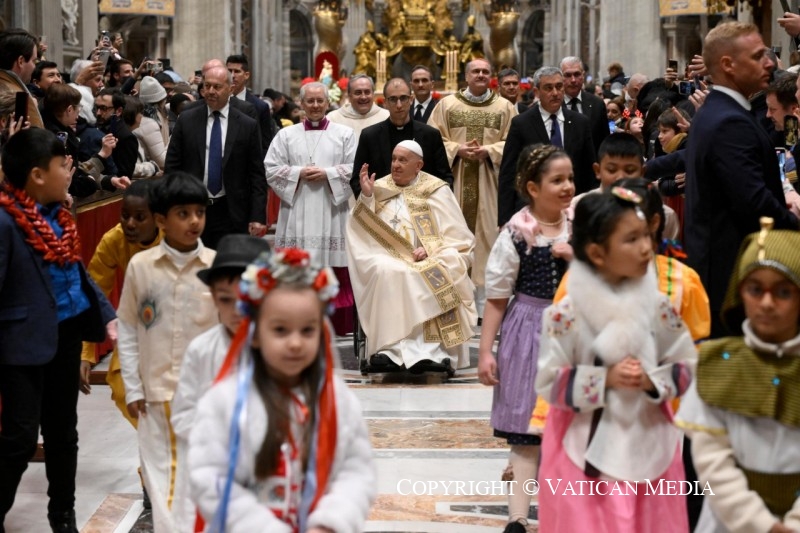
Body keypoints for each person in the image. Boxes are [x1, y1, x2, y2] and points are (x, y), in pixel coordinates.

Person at [534, 188, 697, 531]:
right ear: (596, 252)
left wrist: (653, 379)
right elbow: (549, 382)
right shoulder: (567, 314)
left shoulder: (657, 306)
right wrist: (604, 379)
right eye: (631, 239)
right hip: (580, 448)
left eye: (646, 237)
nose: (645, 248)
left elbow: (687, 366)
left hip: (651, 440)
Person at [188, 247, 376, 532]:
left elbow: (357, 471)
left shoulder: (337, 399)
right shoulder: (225, 401)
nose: (296, 343)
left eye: (307, 330)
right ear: (254, 334)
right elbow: (210, 477)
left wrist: (330, 523)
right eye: (280, 330)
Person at [0, 128, 116, 533]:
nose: (69, 172)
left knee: (63, 433)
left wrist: (106, 315)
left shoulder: (59, 215)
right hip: (22, 345)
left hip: (65, 336)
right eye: (62, 166)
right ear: (36, 175)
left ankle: (62, 515)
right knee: (18, 439)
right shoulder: (5, 222)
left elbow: (75, 272)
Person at [676, 219, 800, 533]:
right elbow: (712, 462)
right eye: (756, 289)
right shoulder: (717, 365)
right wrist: (762, 525)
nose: (767, 303)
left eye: (783, 291)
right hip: (728, 519)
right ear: (741, 291)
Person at [478, 145, 574, 533]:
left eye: (570, 178)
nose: (567, 186)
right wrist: (486, 351)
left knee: (568, 430)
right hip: (530, 331)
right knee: (527, 431)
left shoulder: (582, 225)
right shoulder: (516, 233)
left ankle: (560, 515)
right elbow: (498, 299)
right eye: (557, 180)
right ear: (533, 188)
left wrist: (578, 256)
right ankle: (518, 518)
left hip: (576, 333)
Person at [117, 172, 218, 532]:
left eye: (199, 213)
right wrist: (132, 386)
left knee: (199, 483)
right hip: (154, 396)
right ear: (161, 220)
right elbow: (128, 328)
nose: (194, 221)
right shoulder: (141, 268)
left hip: (204, 400)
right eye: (183, 213)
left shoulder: (216, 269)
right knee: (161, 484)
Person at [684, 21, 799, 338]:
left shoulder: (719, 112)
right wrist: (793, 224)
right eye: (758, 55)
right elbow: (753, 203)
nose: (769, 62)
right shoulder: (728, 121)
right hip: (730, 282)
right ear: (728, 65)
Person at [347, 140, 477, 373]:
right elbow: (360, 233)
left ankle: (430, 353)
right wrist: (366, 198)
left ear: (419, 166)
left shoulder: (437, 190)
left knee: (435, 269)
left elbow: (459, 237)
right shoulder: (379, 188)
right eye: (394, 159)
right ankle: (389, 350)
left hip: (428, 257)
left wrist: (432, 248)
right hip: (387, 257)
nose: (395, 165)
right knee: (386, 270)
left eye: (402, 160)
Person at [171, 234, 270, 532]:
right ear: (213, 297)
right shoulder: (201, 350)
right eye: (226, 299)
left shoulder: (281, 350)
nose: (237, 309)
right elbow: (182, 414)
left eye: (247, 299)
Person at [265, 81, 356, 335]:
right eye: (310, 101)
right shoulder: (285, 135)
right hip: (298, 211)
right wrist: (298, 173)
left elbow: (355, 168)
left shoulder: (344, 134)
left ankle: (336, 318)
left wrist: (327, 173)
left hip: (332, 210)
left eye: (320, 101)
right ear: (301, 104)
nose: (315, 106)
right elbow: (271, 168)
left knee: (333, 262)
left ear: (328, 103)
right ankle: (295, 314)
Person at [428, 58, 516, 317]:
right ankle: (455, 300)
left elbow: (514, 143)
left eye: (485, 72)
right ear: (466, 76)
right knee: (453, 238)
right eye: (475, 71)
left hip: (490, 185)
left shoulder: (504, 108)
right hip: (454, 184)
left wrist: (488, 150)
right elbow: (433, 140)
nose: (480, 75)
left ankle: (483, 305)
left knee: (488, 239)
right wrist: (457, 149)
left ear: (491, 77)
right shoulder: (447, 105)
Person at [78, 180, 162, 423]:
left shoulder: (175, 236)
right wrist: (85, 354)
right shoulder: (113, 240)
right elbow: (93, 295)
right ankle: (153, 446)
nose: (130, 224)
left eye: (139, 217)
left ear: (158, 218)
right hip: (138, 323)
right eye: (125, 216)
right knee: (122, 386)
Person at [165, 66, 267, 249]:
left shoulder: (246, 125)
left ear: (230, 88)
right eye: (207, 86)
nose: (211, 91)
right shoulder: (187, 120)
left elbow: (256, 174)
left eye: (217, 87)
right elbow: (172, 167)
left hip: (231, 210)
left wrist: (257, 216)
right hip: (192, 208)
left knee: (227, 270)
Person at [498, 66, 595, 226]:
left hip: (573, 209)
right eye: (548, 88)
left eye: (559, 87)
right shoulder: (521, 124)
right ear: (536, 92)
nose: (555, 93)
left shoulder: (580, 122)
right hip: (532, 211)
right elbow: (508, 174)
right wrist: (504, 220)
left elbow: (589, 171)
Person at [351, 78, 453, 197]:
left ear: (411, 100)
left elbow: (445, 177)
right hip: (382, 208)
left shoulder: (430, 135)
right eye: (393, 99)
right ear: (385, 103)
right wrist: (370, 197)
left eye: (403, 98)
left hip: (423, 208)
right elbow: (357, 180)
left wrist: (433, 200)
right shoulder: (369, 136)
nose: (399, 105)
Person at [226, 53, 274, 155]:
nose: (232, 76)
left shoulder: (260, 107)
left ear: (246, 75)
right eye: (229, 71)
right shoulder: (217, 101)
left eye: (237, 71)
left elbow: (265, 145)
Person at [560, 56, 611, 151]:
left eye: (577, 74)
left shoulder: (597, 104)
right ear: (560, 78)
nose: (573, 80)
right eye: (567, 75)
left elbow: (604, 141)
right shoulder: (554, 104)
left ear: (583, 76)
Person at [327, 74, 389, 138]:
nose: (363, 97)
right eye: (358, 93)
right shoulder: (333, 119)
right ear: (349, 96)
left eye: (367, 92)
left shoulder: (387, 117)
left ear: (373, 94)